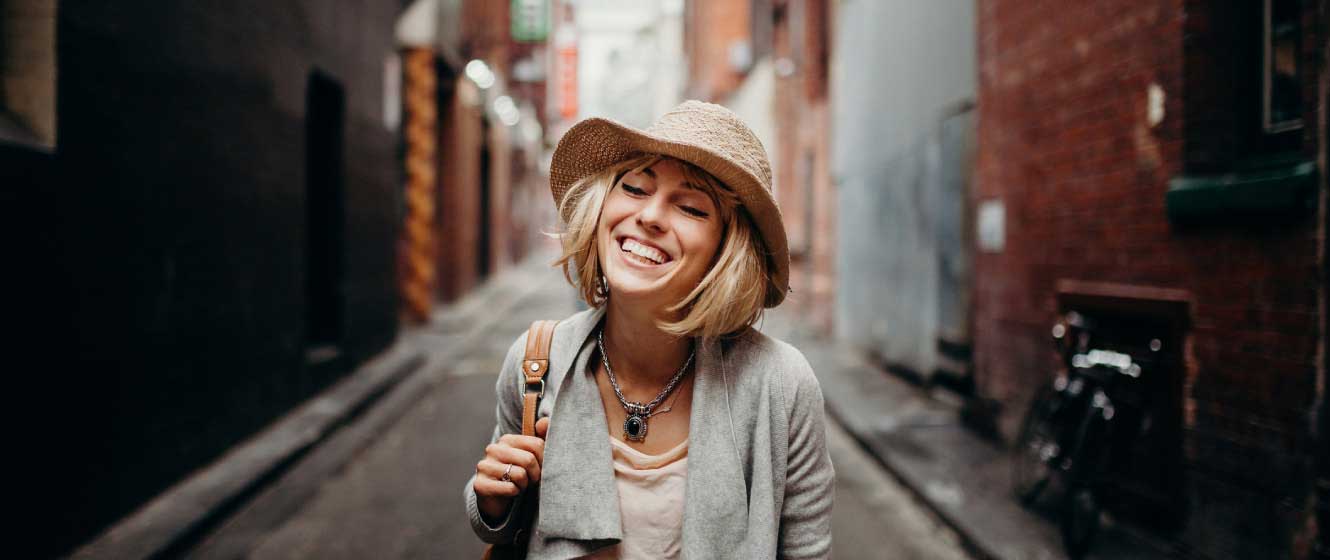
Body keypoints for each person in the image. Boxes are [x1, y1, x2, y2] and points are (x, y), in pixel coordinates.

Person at [464, 100, 834, 559]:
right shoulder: (536, 361)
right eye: (636, 188)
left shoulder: (782, 384)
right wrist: (493, 502)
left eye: (692, 208)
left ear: (727, 249)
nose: (651, 216)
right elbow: (510, 528)